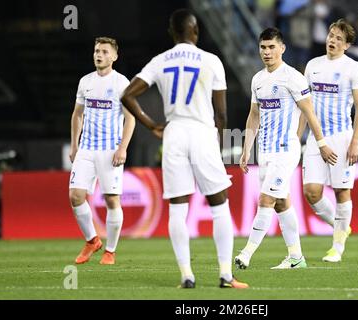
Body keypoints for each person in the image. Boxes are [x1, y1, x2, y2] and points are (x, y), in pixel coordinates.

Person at [121, 9, 248, 289]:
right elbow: (222, 114)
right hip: (203, 132)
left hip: (174, 132)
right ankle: (226, 275)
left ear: (171, 32)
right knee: (219, 204)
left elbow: (127, 95)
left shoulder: (160, 61)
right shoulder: (211, 60)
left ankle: (186, 276)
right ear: (196, 32)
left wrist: (152, 124)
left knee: (178, 209)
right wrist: (220, 142)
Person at [234, 27, 338, 270]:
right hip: (265, 151)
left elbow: (309, 112)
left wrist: (321, 143)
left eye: (272, 47)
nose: (267, 52)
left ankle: (246, 254)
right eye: (263, 47)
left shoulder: (292, 77)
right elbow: (254, 114)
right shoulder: (257, 79)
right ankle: (296, 257)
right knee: (281, 203)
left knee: (266, 199)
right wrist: (246, 148)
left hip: (286, 150)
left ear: (282, 48)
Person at [301, 19, 358, 263]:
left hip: (341, 137)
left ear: (347, 45)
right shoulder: (312, 65)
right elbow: (304, 107)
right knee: (311, 192)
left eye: (339, 38)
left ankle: (336, 249)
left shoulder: (353, 68)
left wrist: (355, 142)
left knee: (341, 191)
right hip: (316, 139)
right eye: (331, 35)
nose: (333, 40)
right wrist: (298, 137)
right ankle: (341, 227)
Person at [69, 37, 135, 265]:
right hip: (86, 148)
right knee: (75, 196)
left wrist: (122, 148)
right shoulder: (85, 81)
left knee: (111, 200)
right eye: (97, 50)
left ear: (114, 56)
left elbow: (130, 118)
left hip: (110, 150)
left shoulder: (122, 83)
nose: (99, 55)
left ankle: (110, 251)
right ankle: (92, 240)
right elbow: (77, 114)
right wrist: (75, 145)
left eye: (105, 52)